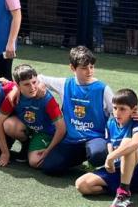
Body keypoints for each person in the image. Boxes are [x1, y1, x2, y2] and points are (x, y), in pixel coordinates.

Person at [36, 46, 115, 177]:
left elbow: (117, 112)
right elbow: (39, 77)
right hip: (71, 140)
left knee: (97, 155)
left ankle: (94, 161)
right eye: (84, 68)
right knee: (49, 167)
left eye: (91, 67)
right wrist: (39, 85)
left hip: (95, 139)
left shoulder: (103, 89)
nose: (89, 71)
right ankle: (78, 159)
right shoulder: (65, 84)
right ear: (72, 68)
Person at [75, 88, 138, 207]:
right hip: (118, 170)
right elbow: (109, 142)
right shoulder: (111, 123)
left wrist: (110, 157)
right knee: (82, 184)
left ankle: (123, 194)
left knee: (128, 141)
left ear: (134, 110)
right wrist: (112, 157)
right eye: (115, 108)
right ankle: (126, 191)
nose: (117, 112)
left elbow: (136, 143)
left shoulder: (137, 123)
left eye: (122, 109)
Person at [0, 63, 66, 169]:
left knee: (34, 162)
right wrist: (5, 153)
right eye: (26, 84)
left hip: (46, 133)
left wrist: (48, 151)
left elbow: (61, 128)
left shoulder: (46, 98)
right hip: (29, 129)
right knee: (8, 125)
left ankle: (59, 151)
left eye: (34, 82)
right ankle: (26, 145)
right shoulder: (12, 97)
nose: (32, 87)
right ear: (18, 86)